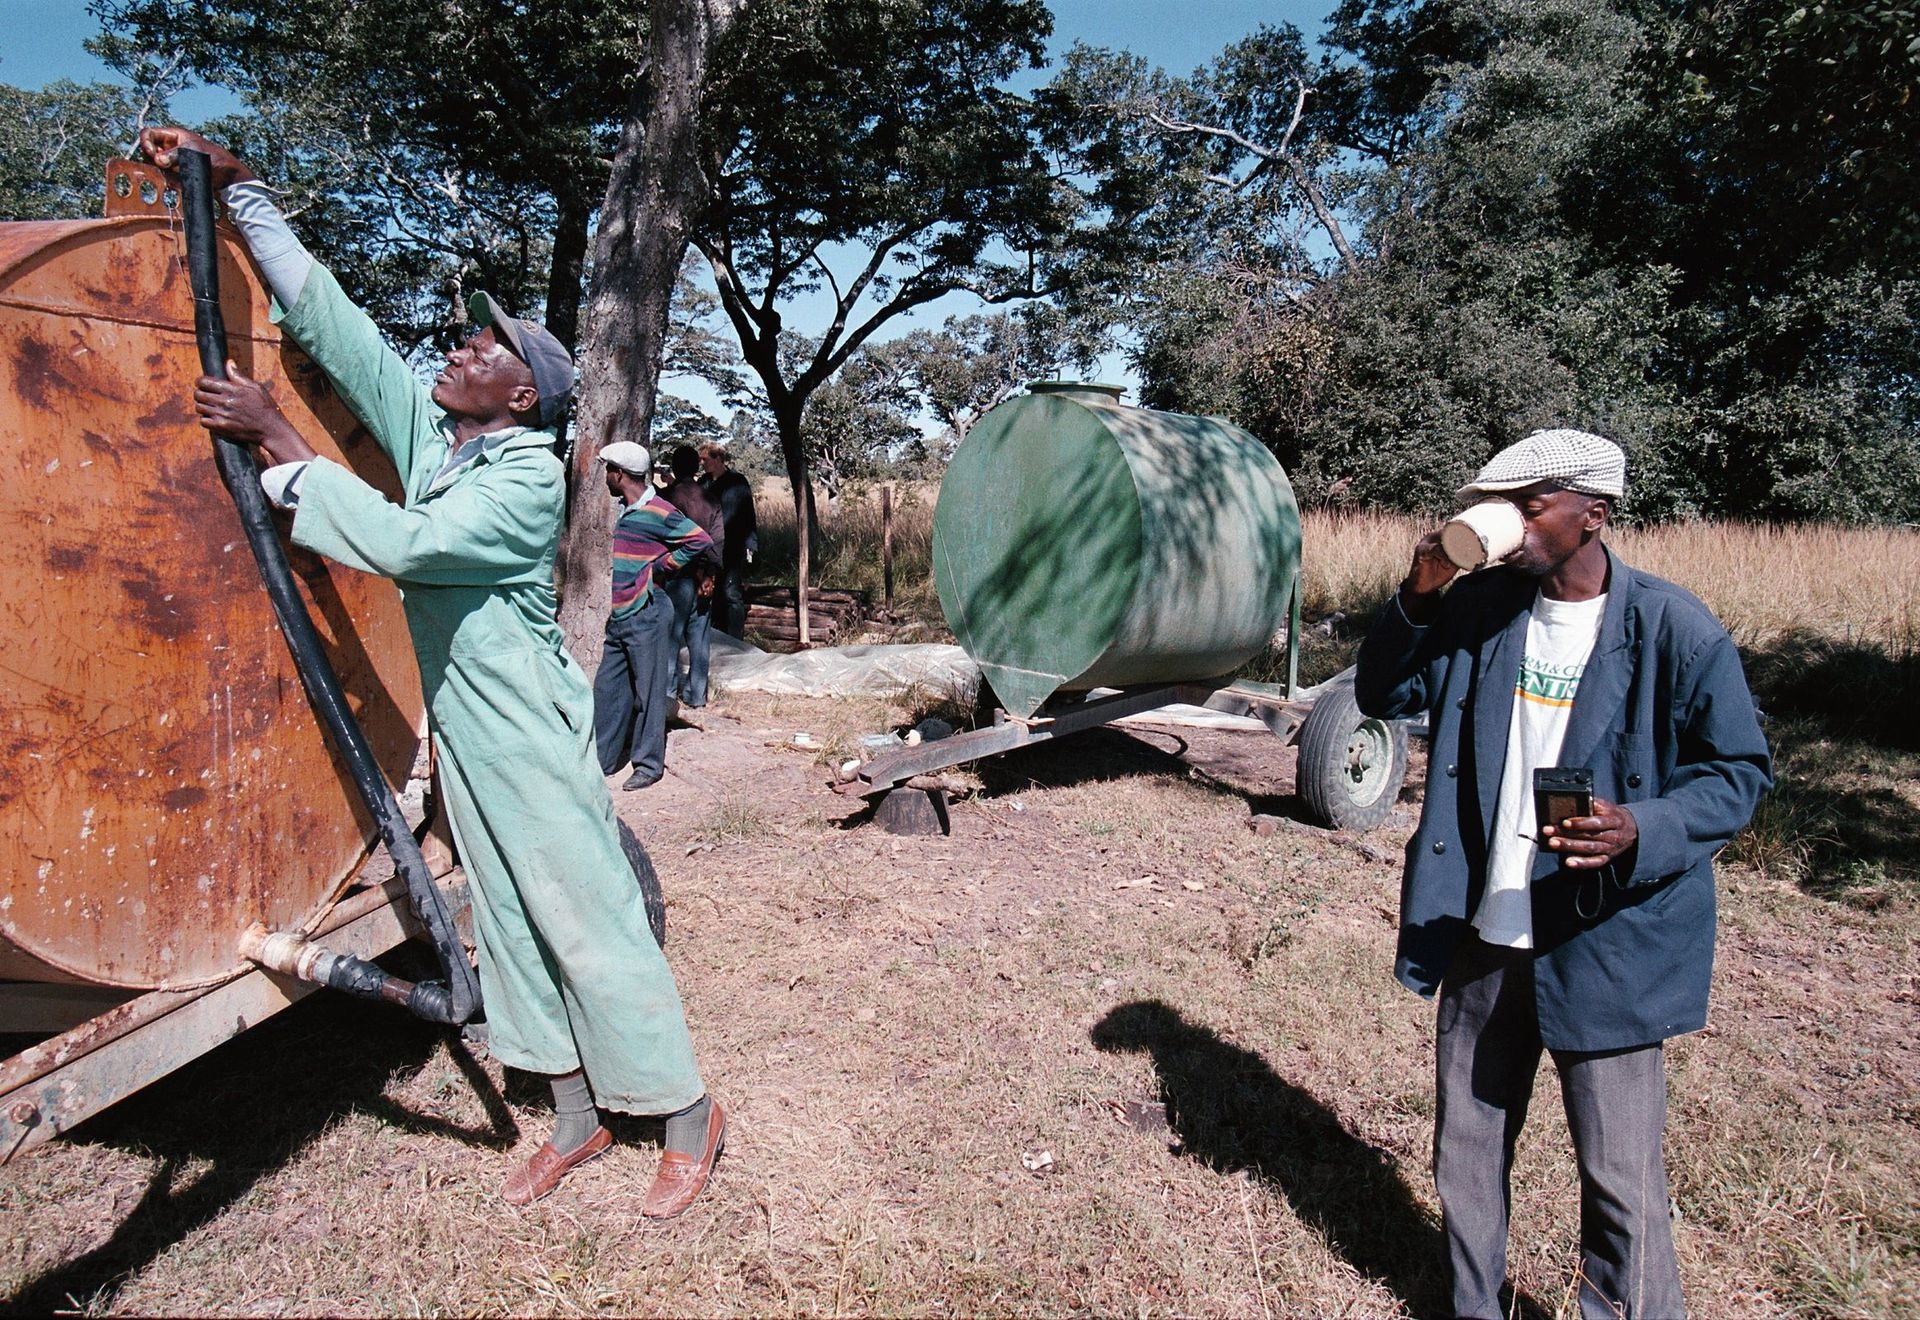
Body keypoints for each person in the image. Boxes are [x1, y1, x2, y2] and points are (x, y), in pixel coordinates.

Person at [144, 126, 726, 1216]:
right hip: (464, 731)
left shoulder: (524, 485)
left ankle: (688, 1115)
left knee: (585, 915)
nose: (459, 349)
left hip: (528, 734)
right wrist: (246, 197)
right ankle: (575, 1116)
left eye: (485, 349)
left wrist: (280, 443)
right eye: (465, 340)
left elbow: (407, 549)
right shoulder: (445, 450)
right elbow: (350, 340)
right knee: (505, 918)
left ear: (521, 397)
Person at [1354, 429, 1771, 1319]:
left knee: (1620, 1174)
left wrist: (1643, 827)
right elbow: (1382, 695)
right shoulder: (1481, 610)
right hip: (1485, 926)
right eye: (1499, 505)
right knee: (1467, 1147)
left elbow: (1737, 773)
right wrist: (1421, 594)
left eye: (1528, 505)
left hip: (1606, 938)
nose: (1509, 524)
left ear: (1595, 513)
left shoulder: (1671, 626)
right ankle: (1474, 1307)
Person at [594, 442, 711, 788]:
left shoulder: (658, 509)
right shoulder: (626, 509)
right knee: (608, 690)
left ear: (619, 474)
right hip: (620, 615)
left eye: (608, 471)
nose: (605, 477)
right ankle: (602, 761)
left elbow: (699, 540)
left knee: (649, 691)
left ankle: (648, 764)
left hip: (647, 612)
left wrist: (660, 568)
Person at [659, 445, 725, 708]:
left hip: (678, 575)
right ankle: (697, 696)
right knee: (699, 639)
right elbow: (718, 541)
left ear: (674, 468)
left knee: (670, 637)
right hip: (705, 575)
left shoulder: (665, 497)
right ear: (696, 468)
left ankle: (666, 694)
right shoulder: (710, 499)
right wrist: (711, 573)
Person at [697, 440, 756, 637]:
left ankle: (735, 641)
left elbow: (748, 514)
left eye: (705, 459)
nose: (702, 464)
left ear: (718, 459)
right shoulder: (703, 483)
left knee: (731, 593)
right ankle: (713, 636)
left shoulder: (738, 482)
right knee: (708, 592)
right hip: (706, 547)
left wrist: (751, 544)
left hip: (732, 546)